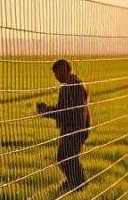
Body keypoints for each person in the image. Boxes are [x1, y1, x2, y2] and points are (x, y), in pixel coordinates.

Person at [36, 58, 91, 190]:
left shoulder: (69, 86)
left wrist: (46, 110)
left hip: (72, 129)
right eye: (55, 73)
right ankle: (77, 183)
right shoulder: (78, 83)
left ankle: (77, 184)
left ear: (67, 70)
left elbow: (63, 112)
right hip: (79, 128)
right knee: (70, 158)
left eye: (59, 72)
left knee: (65, 158)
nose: (57, 76)